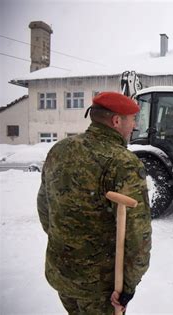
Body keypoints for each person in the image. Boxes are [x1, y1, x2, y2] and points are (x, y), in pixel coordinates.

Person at [37, 91, 152, 314]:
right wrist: (128, 286)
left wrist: (68, 244)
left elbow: (44, 205)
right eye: (132, 119)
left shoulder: (59, 149)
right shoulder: (123, 163)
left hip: (62, 273)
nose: (134, 125)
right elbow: (138, 235)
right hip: (101, 287)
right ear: (117, 121)